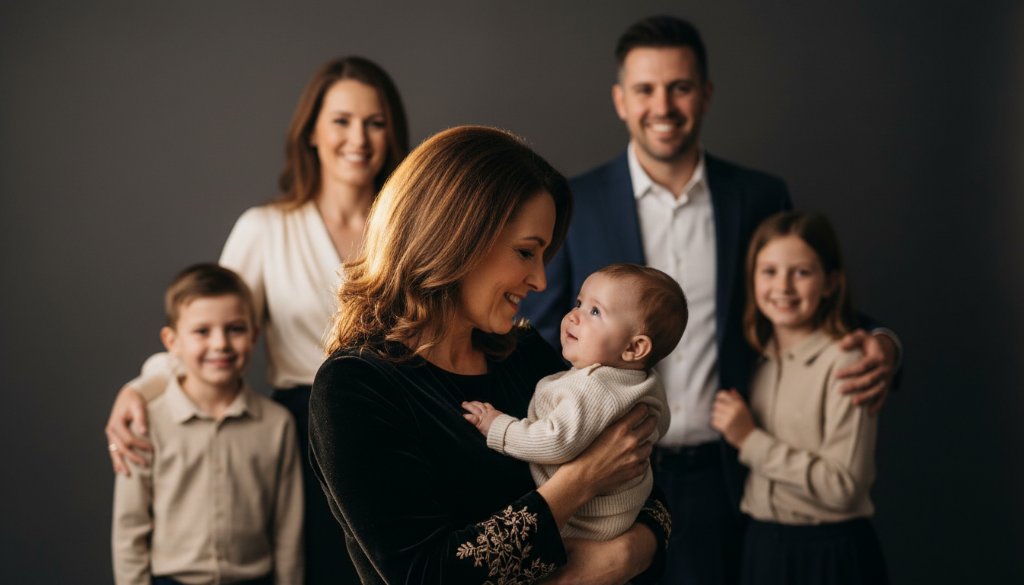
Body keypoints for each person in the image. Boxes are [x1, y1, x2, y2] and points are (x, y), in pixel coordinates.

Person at [517, 15, 900, 585]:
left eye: (680, 87)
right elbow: (546, 331)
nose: (663, 105)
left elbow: (798, 299)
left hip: (722, 477)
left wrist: (884, 344)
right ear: (621, 100)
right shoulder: (578, 200)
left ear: (706, 94)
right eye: (645, 89)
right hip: (600, 482)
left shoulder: (757, 196)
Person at [309, 126, 673, 585]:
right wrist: (577, 483)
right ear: (456, 238)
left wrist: (622, 556)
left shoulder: (524, 354)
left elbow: (646, 490)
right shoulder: (355, 387)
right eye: (526, 252)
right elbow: (424, 575)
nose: (540, 280)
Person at [104, 56, 409, 585]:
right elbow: (207, 325)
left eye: (374, 122)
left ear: (392, 133)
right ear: (311, 132)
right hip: (311, 437)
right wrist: (141, 387)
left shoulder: (412, 234)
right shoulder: (265, 229)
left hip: (404, 432)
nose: (358, 137)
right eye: (341, 120)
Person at [710, 211, 889, 584]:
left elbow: (843, 487)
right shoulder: (755, 360)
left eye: (802, 272)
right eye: (769, 271)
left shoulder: (847, 362)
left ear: (831, 283)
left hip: (829, 555)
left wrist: (750, 440)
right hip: (762, 549)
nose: (784, 287)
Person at [462, 263, 686, 541]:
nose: (574, 316)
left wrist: (498, 427)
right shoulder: (646, 382)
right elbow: (659, 426)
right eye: (579, 303)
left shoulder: (596, 387)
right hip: (625, 517)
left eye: (595, 312)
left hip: (585, 525)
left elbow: (555, 440)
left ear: (633, 348)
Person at [112, 263, 303, 585]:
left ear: (255, 336)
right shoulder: (148, 422)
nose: (220, 344)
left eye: (235, 329)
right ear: (172, 342)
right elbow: (129, 529)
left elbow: (288, 527)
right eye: (202, 331)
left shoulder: (277, 424)